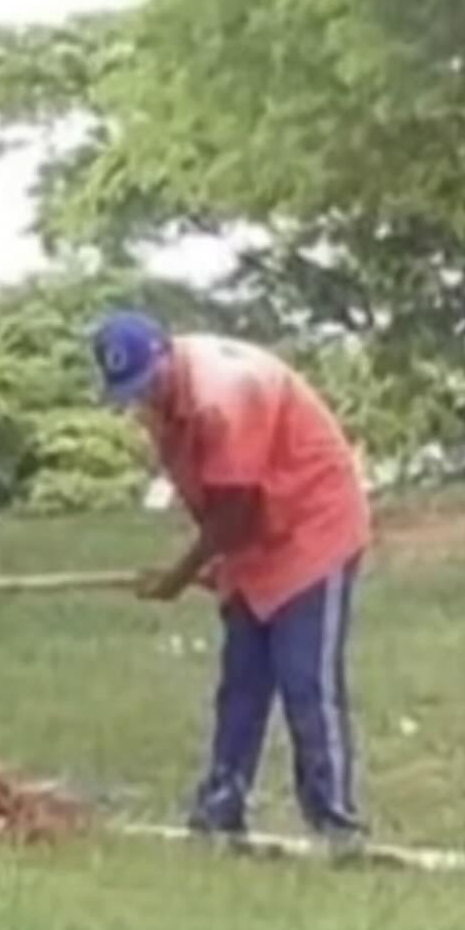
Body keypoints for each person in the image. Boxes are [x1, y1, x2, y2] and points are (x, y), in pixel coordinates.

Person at [91, 311, 371, 850]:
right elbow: (217, 503)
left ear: (166, 352)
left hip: (312, 528)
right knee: (241, 683)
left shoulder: (227, 394)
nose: (142, 398)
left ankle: (336, 824)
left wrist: (178, 575)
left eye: (148, 382)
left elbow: (235, 512)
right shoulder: (162, 407)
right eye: (131, 391)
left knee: (305, 679)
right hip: (252, 539)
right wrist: (216, 565)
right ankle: (221, 808)